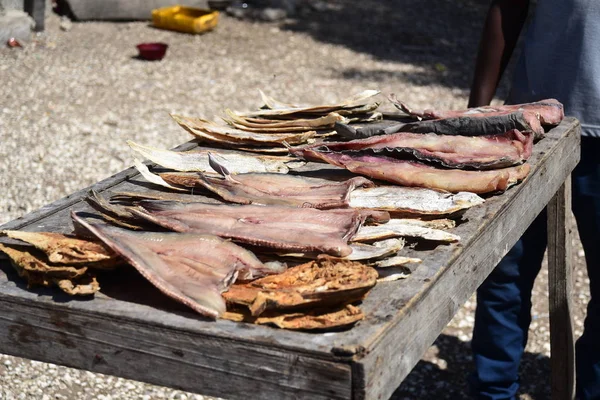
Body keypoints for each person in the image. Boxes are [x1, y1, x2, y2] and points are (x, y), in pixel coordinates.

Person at [467, 1, 600, 399]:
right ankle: (493, 391)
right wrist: (477, 111)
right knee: (504, 273)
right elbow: (508, 7)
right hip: (531, 127)